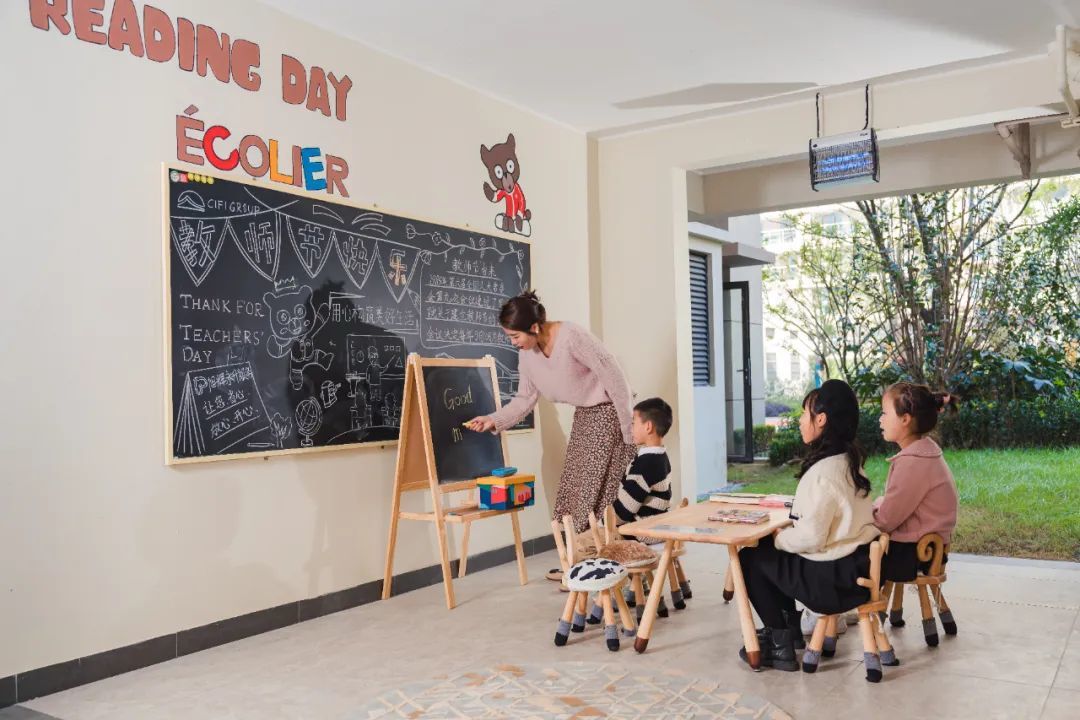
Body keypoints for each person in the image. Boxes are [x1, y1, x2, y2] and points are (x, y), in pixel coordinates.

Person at [465, 291, 637, 580]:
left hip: (609, 412)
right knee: (571, 489)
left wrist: (628, 431)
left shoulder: (572, 337)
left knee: (592, 491)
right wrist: (493, 420)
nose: (513, 343)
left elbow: (614, 376)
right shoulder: (527, 356)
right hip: (585, 414)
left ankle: (592, 566)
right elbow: (524, 399)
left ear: (534, 327)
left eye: (515, 336)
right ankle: (576, 562)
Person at [737, 379, 879, 671]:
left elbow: (811, 538)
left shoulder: (823, 472)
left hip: (832, 581)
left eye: (805, 414)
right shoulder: (850, 462)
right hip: (855, 569)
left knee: (750, 557)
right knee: (769, 554)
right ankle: (788, 631)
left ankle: (779, 643)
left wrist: (779, 537)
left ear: (821, 419)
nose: (801, 420)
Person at [874, 382, 958, 583]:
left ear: (905, 419)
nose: (880, 419)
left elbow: (885, 521)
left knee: (850, 556)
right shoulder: (924, 454)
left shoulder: (912, 463)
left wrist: (867, 511)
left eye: (884, 413)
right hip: (927, 548)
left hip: (915, 554)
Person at [612, 397, 673, 525]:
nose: (631, 428)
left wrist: (602, 523)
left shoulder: (646, 464)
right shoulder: (660, 456)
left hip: (641, 527)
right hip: (655, 522)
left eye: (633, 423)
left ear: (648, 427)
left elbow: (625, 511)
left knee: (588, 534)